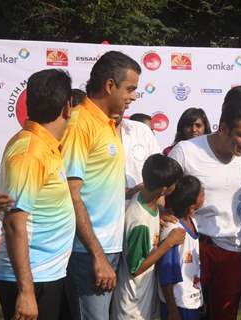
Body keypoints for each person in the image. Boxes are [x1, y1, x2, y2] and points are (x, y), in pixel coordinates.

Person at [169, 86, 241, 320]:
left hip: (232, 250)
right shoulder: (186, 151)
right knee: (186, 313)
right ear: (223, 128)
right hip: (193, 247)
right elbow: (164, 192)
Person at [61, 51, 141, 319]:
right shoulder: (79, 123)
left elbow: (99, 185)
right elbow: (71, 195)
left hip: (110, 247)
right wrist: (97, 255)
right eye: (130, 89)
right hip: (88, 252)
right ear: (109, 85)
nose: (133, 97)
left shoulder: (109, 124)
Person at [0, 69, 75, 320]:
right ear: (67, 107)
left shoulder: (44, 145)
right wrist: (26, 292)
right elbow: (14, 223)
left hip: (47, 274)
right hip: (33, 278)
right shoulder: (31, 151)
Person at [111, 154, 185, 319]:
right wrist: (168, 243)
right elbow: (136, 268)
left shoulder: (145, 201)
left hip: (142, 299)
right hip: (132, 307)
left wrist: (158, 216)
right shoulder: (139, 222)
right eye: (174, 183)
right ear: (164, 189)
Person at [158, 175, 205, 320]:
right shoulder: (173, 230)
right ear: (192, 205)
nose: (204, 193)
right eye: (201, 193)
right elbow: (166, 274)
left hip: (193, 301)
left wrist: (200, 299)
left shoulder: (193, 222)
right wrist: (173, 311)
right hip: (178, 304)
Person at [116, 112, 162, 202]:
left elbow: (160, 175)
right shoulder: (88, 130)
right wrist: (129, 193)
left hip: (143, 209)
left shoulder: (142, 130)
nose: (133, 97)